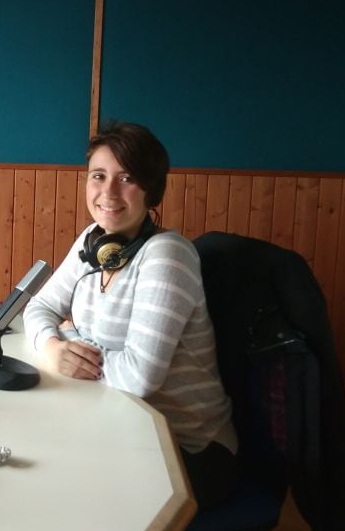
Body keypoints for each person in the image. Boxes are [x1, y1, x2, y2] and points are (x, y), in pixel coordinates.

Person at [23, 121, 238, 510]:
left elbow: (139, 378)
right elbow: (38, 307)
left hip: (185, 450)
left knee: (55, 492)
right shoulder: (94, 241)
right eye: (98, 176)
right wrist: (54, 346)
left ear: (150, 190)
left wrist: (73, 340)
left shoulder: (167, 255)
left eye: (126, 179)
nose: (108, 192)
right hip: (115, 425)